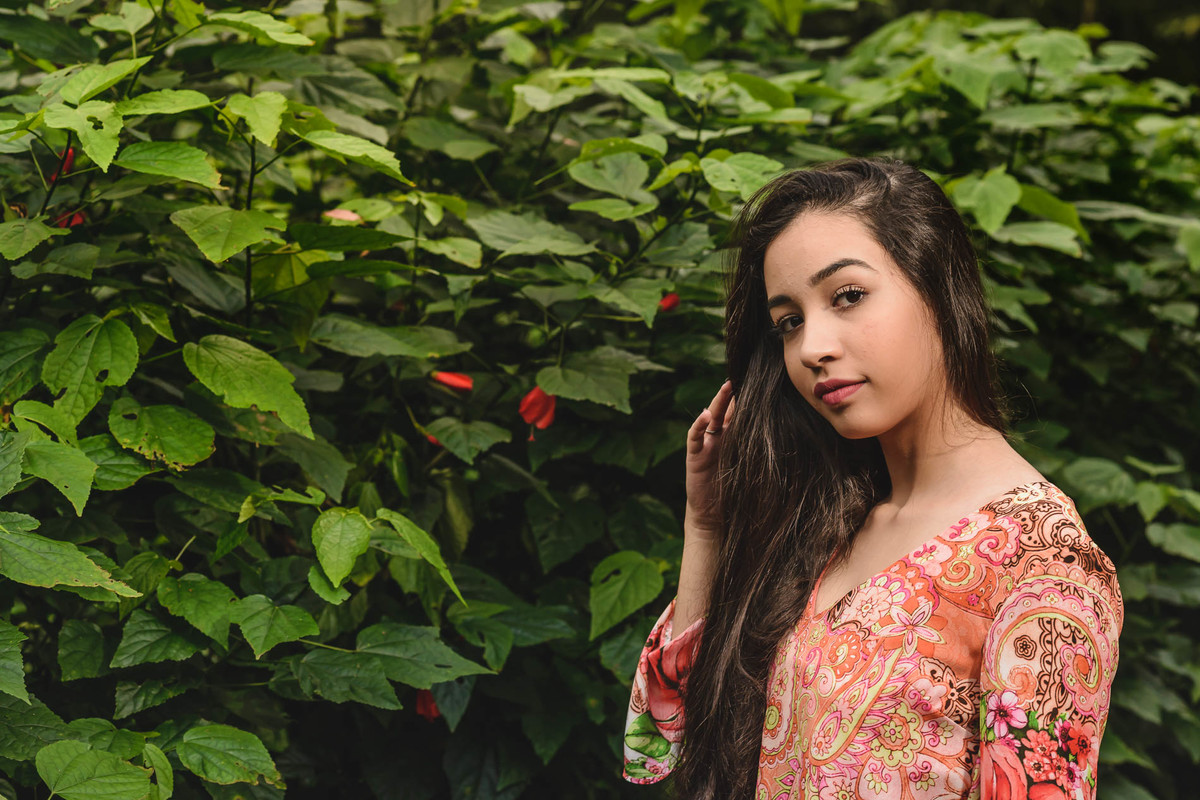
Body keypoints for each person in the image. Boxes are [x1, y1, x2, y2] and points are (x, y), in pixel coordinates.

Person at [621, 158, 1123, 800]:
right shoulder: (832, 521)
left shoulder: (1045, 563)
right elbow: (659, 742)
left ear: (939, 289)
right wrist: (707, 524)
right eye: (789, 321)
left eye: (848, 296)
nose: (810, 349)